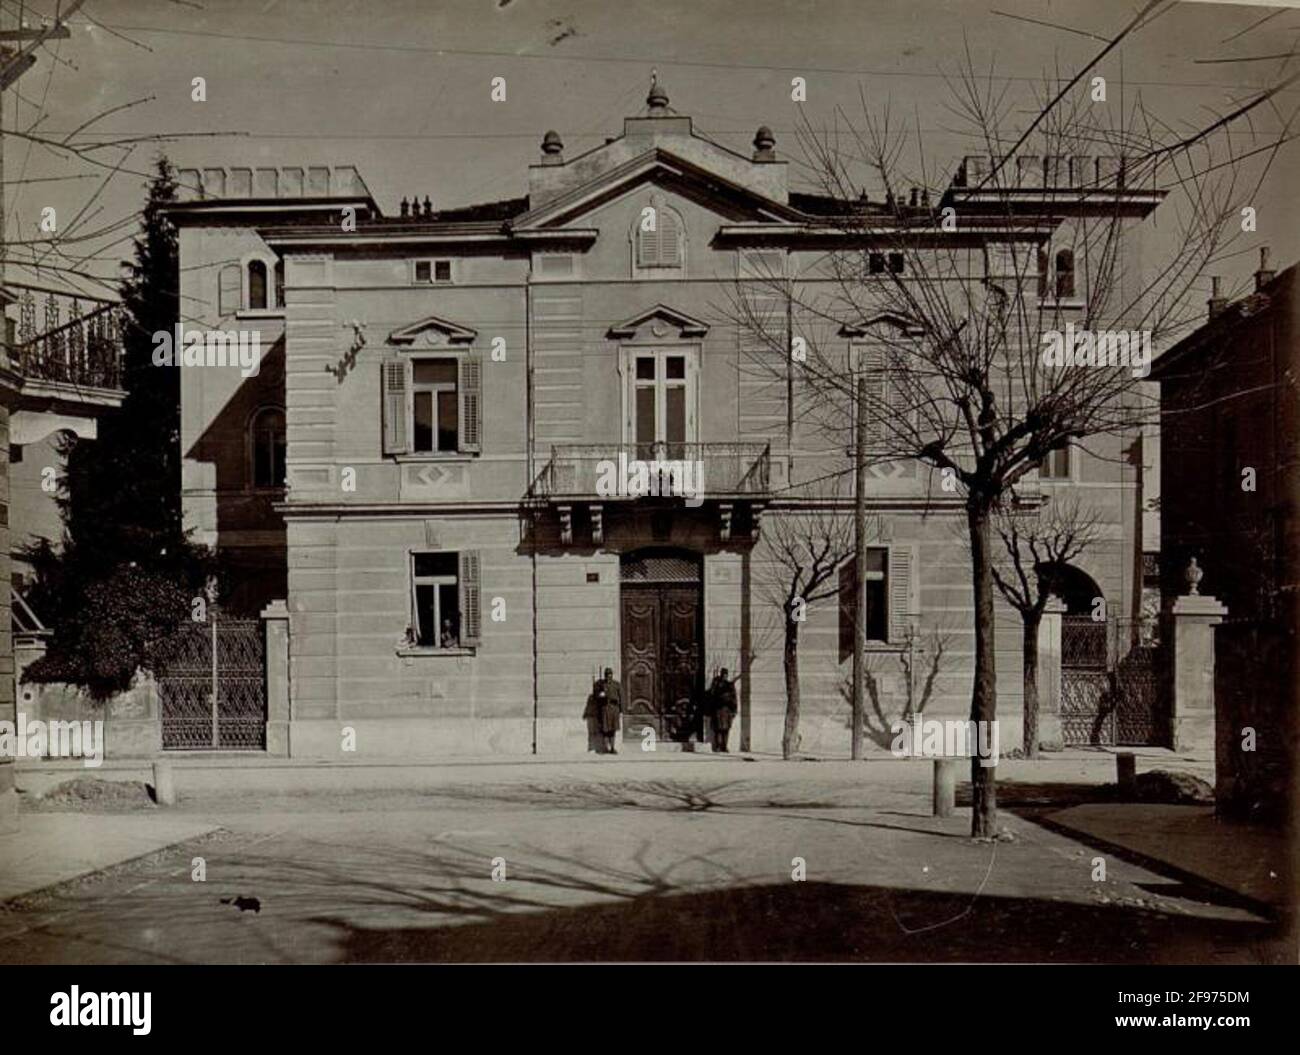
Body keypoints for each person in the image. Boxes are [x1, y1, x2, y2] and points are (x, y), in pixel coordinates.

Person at [708, 669, 739, 752]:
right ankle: (718, 746)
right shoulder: (716, 684)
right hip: (718, 710)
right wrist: (715, 683)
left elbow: (734, 698)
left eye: (725, 675)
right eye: (723, 674)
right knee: (718, 729)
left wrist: (734, 710)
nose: (724, 676)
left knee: (726, 730)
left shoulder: (729, 685)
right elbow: (711, 695)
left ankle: (724, 746)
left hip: (727, 710)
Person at [597, 667, 622, 754]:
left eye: (610, 674)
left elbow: (621, 697)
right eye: (607, 674)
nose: (609, 676)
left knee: (613, 729)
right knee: (605, 729)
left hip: (614, 708)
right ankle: (606, 748)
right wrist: (601, 694)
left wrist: (620, 709)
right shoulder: (601, 685)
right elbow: (597, 698)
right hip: (605, 708)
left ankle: (612, 747)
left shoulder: (616, 684)